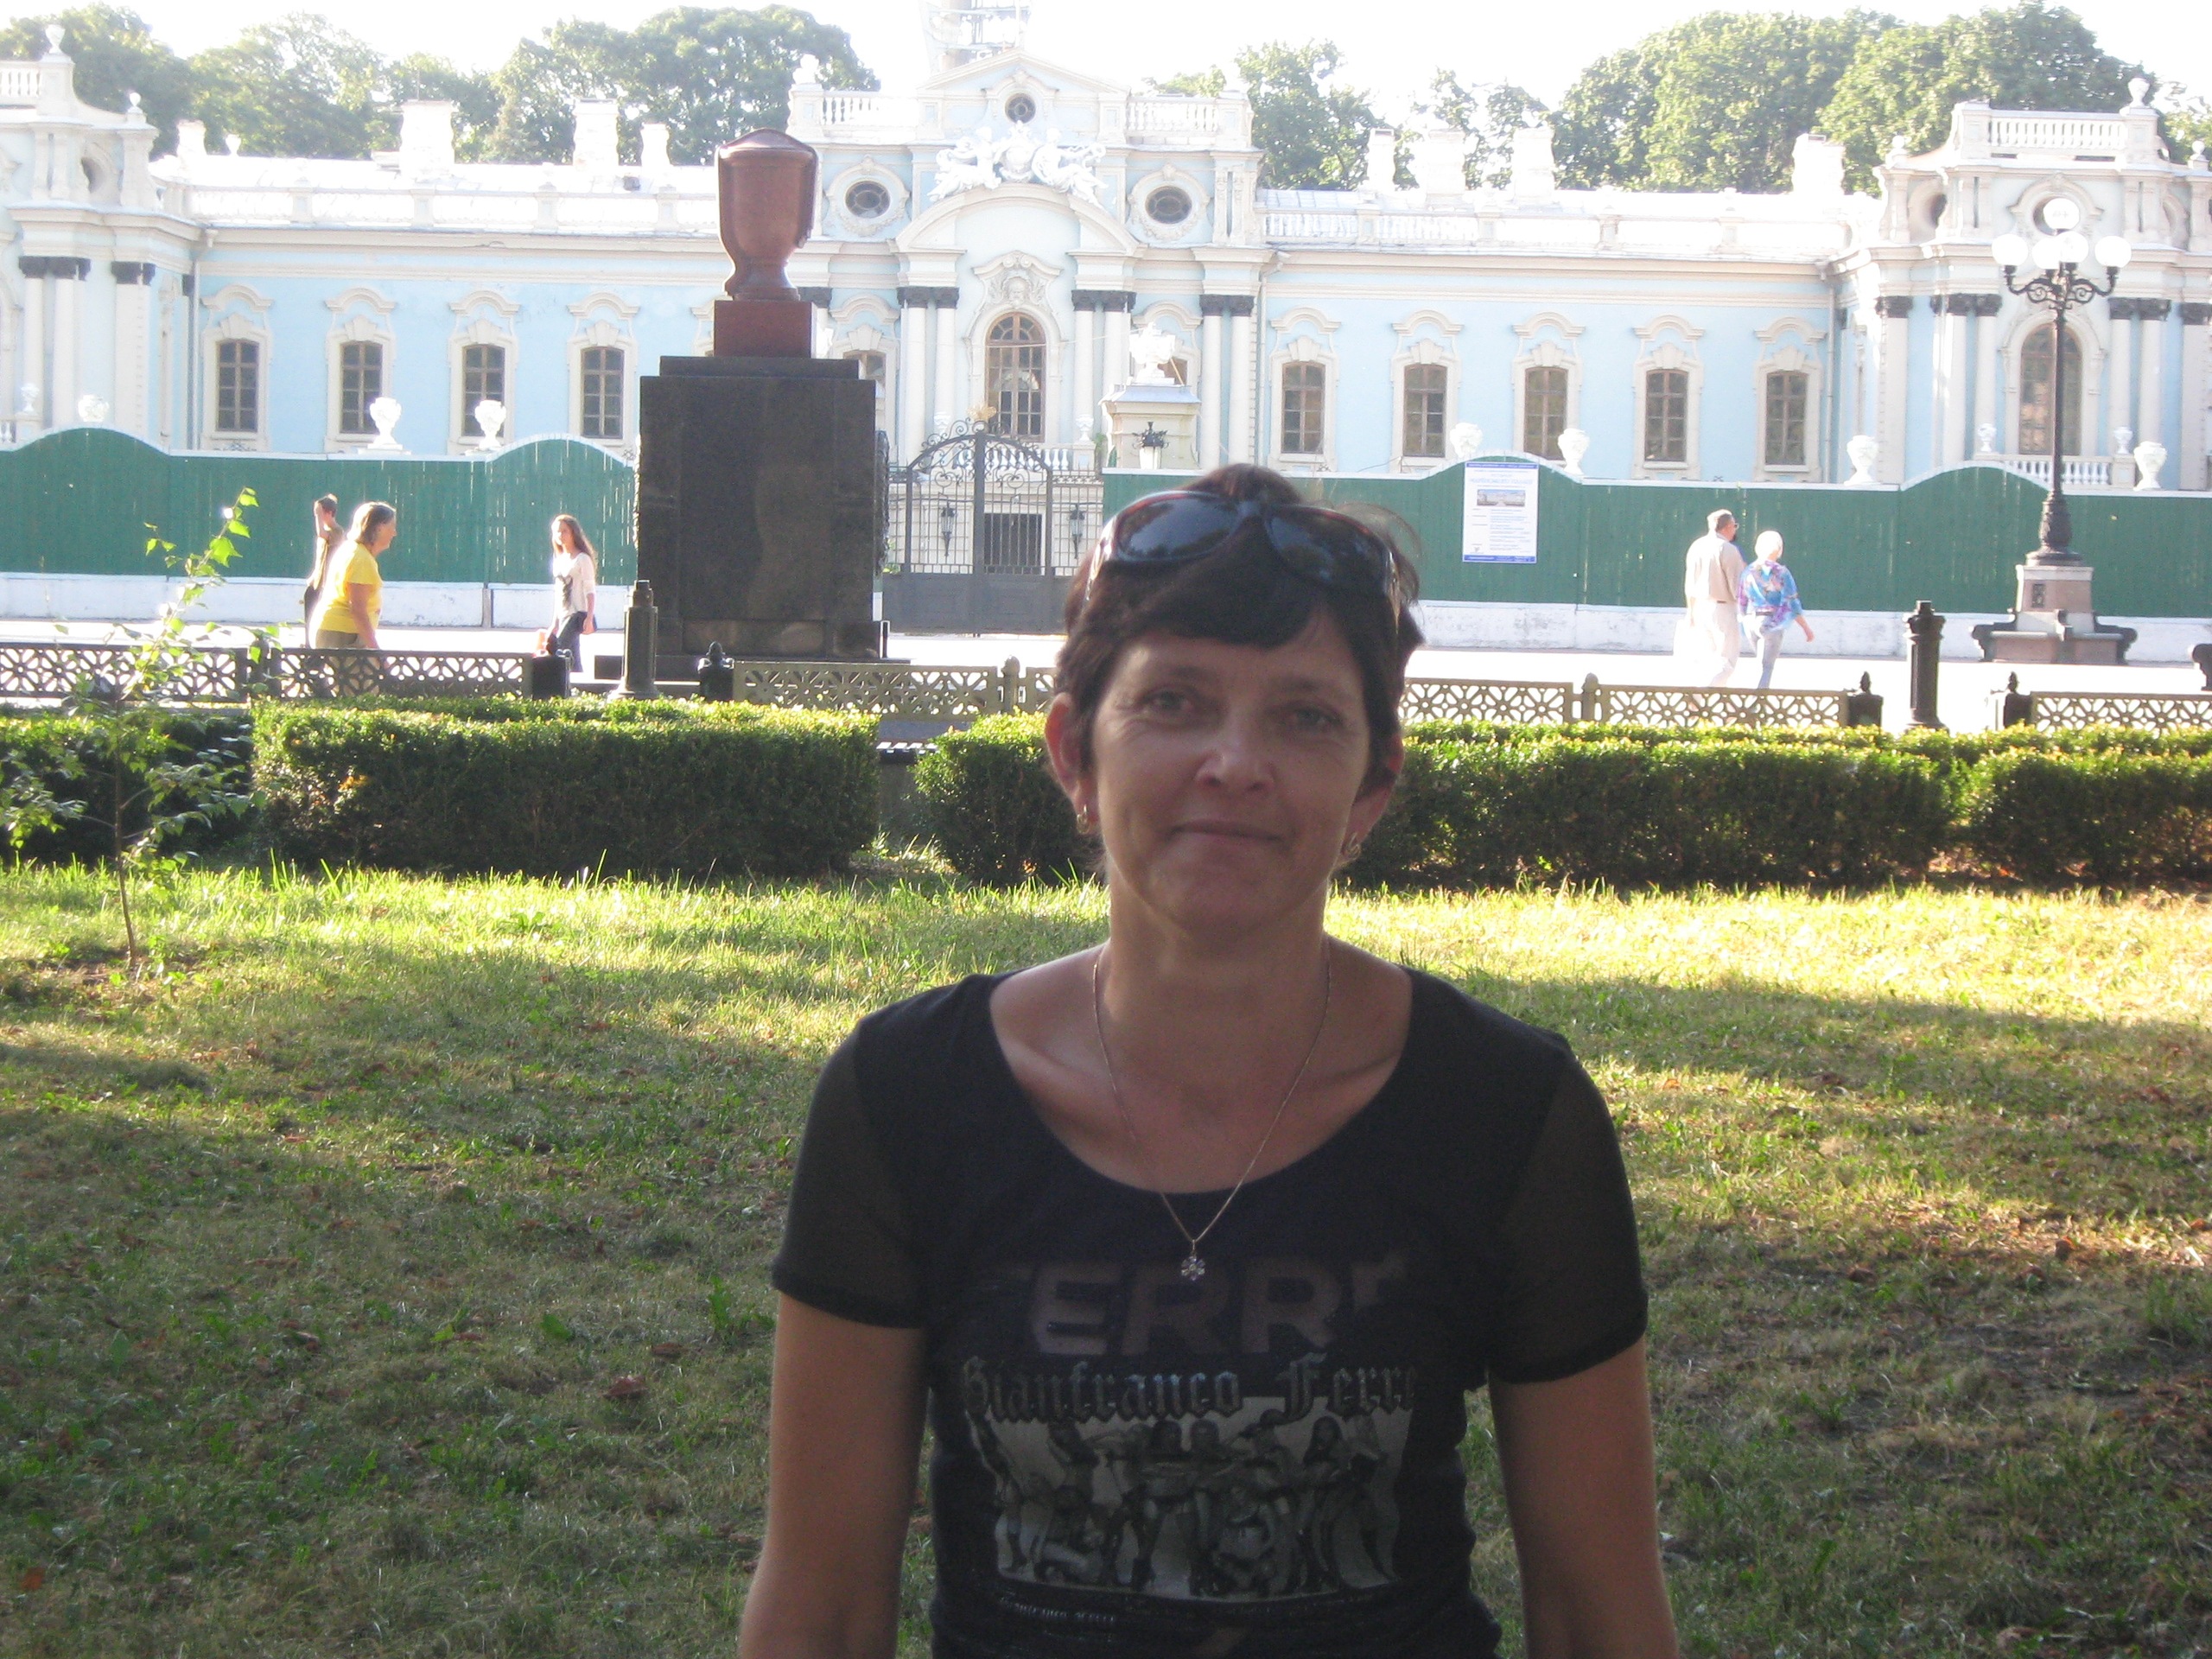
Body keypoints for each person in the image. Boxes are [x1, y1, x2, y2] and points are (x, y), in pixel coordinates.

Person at [743, 463, 1677, 1659]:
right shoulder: (909, 1099)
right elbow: (818, 1609)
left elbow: (1600, 1613)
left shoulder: (1506, 1113)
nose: (1235, 763)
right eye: (1174, 702)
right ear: (1074, 755)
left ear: (1373, 787)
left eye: (1305, 717)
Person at [308, 501, 395, 695]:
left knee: (352, 695)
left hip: (337, 631)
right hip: (344, 635)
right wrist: (378, 653)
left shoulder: (353, 550)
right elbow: (358, 610)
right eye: (392, 527)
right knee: (361, 697)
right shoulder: (361, 559)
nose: (394, 533)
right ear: (379, 528)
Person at [1738, 530, 1815, 690]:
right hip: (1772, 622)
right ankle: (1759, 700)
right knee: (1767, 667)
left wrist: (1743, 620)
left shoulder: (1748, 571)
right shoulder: (1781, 572)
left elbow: (1741, 599)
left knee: (1759, 663)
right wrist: (1806, 628)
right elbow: (1792, 603)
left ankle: (1754, 697)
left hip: (1751, 621)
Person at [1681, 508, 1745, 688]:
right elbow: (1737, 585)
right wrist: (1745, 609)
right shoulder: (1728, 549)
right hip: (1723, 608)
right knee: (1726, 661)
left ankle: (1716, 701)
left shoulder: (1696, 546)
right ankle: (1701, 693)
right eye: (1734, 526)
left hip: (1700, 607)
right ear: (1728, 527)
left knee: (1709, 660)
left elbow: (1690, 583)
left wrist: (1690, 612)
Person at [549, 515, 598, 671]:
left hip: (578, 615)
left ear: (573, 533)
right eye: (557, 532)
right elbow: (558, 593)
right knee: (572, 656)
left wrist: (589, 617)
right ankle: (576, 680)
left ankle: (556, 682)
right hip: (564, 613)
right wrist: (555, 622)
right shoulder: (559, 560)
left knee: (558, 647)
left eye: (564, 531)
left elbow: (590, 590)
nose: (560, 535)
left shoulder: (582, 559)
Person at [302, 493, 342, 636]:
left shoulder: (338, 531)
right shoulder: (325, 533)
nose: (318, 516)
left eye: (320, 513)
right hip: (318, 581)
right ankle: (308, 642)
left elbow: (322, 534)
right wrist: (314, 575)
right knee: (309, 609)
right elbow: (321, 559)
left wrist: (318, 515)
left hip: (328, 583)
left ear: (329, 513)